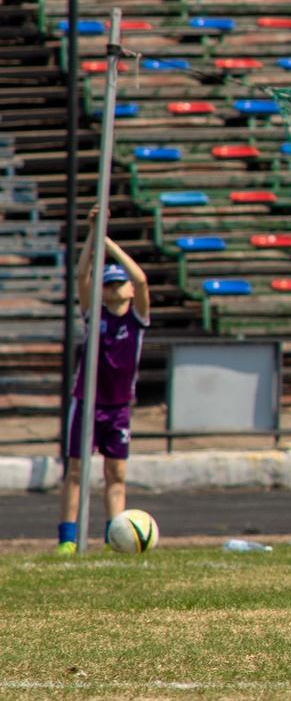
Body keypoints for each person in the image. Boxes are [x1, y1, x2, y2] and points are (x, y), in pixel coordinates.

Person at [55, 224, 150, 556]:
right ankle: (68, 537)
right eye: (108, 284)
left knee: (116, 473)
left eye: (117, 283)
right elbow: (82, 274)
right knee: (78, 470)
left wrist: (110, 244)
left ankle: (116, 534)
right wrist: (94, 238)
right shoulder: (94, 315)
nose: (114, 289)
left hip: (119, 405)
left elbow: (140, 280)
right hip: (87, 402)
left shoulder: (136, 318)